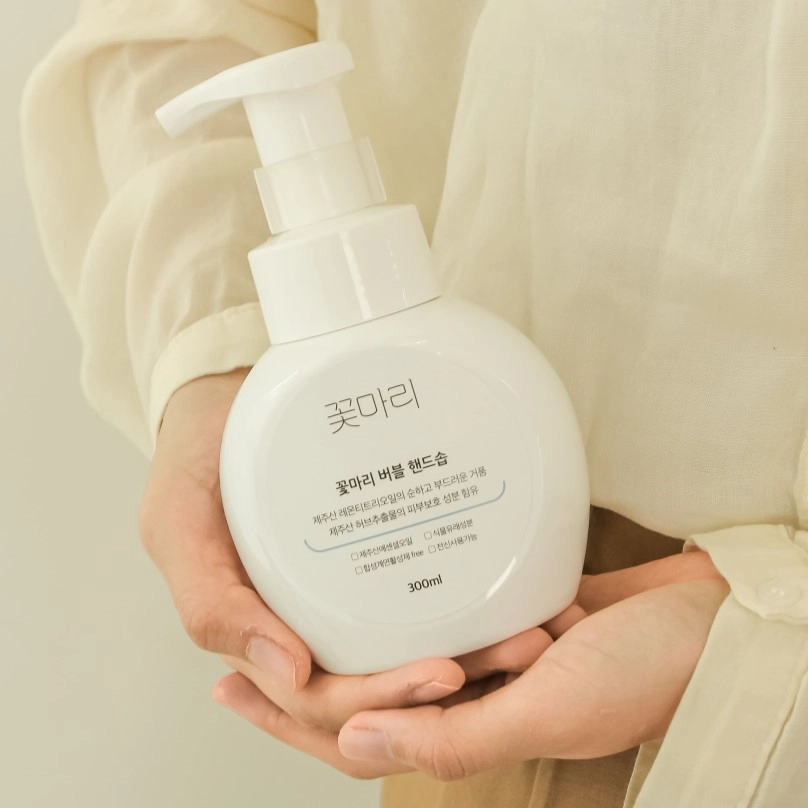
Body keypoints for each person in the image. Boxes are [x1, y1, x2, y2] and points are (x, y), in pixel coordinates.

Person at [22, 2, 808, 806]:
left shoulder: (473, 351)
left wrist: (774, 623)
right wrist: (216, 361)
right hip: (520, 676)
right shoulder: (427, 361)